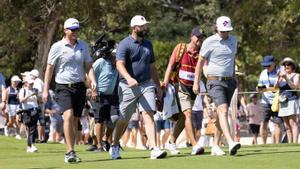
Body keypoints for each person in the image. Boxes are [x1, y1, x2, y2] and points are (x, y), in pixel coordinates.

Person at [110, 15, 167, 160]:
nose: (145, 28)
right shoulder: (124, 44)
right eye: (142, 26)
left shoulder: (148, 44)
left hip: (146, 84)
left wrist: (158, 86)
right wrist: (129, 78)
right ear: (134, 28)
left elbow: (152, 67)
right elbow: (119, 64)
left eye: (145, 25)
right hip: (128, 86)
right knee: (124, 119)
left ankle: (154, 148)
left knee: (148, 115)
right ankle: (115, 145)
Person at [43, 18, 97, 163]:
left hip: (79, 86)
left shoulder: (83, 45)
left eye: (77, 29)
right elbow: (49, 68)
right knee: (68, 115)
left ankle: (71, 149)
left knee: (75, 120)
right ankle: (69, 151)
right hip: (63, 86)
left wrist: (93, 80)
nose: (75, 32)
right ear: (65, 30)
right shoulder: (57, 47)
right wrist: (45, 90)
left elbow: (88, 65)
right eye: (72, 30)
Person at [193, 16, 241, 156]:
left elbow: (232, 60)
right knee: (223, 110)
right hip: (214, 81)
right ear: (217, 29)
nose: (225, 33)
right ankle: (231, 142)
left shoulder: (234, 40)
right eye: (223, 31)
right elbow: (200, 63)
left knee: (222, 114)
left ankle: (215, 146)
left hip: (230, 81)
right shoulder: (209, 42)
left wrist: (233, 77)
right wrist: (196, 82)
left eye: (227, 31)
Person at [162, 26, 207, 155]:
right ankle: (194, 145)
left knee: (183, 118)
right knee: (188, 114)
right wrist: (165, 83)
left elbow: (203, 69)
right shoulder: (181, 48)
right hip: (180, 86)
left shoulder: (202, 53)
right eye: (198, 36)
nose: (200, 39)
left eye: (202, 37)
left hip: (193, 88)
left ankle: (171, 141)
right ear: (191, 37)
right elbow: (170, 65)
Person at [92, 44, 119, 152]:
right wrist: (93, 90)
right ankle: (99, 145)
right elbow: (90, 74)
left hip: (112, 96)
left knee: (115, 118)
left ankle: (106, 139)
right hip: (98, 95)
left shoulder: (118, 65)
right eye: (116, 55)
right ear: (111, 55)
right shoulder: (101, 62)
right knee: (100, 120)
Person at [256, 55, 282, 144]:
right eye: (265, 65)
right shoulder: (263, 73)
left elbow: (279, 87)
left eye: (268, 65)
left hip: (277, 101)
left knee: (277, 124)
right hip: (265, 102)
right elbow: (259, 86)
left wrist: (271, 87)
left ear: (274, 63)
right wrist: (258, 89)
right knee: (263, 123)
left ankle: (278, 145)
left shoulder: (280, 72)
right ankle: (263, 144)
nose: (266, 67)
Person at [276, 57, 299, 143]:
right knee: (286, 126)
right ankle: (289, 143)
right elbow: (276, 87)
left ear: (293, 66)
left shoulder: (296, 75)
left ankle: (295, 143)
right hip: (283, 102)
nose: (286, 66)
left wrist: (286, 78)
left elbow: (295, 87)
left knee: (293, 123)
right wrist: (278, 78)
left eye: (288, 64)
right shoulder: (281, 77)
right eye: (284, 64)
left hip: (292, 101)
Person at [19, 76, 40, 153]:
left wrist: (37, 95)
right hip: (27, 111)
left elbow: (38, 101)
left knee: (33, 129)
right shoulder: (22, 90)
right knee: (30, 129)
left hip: (35, 110)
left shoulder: (35, 90)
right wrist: (29, 95)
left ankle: (30, 146)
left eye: (32, 83)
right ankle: (31, 145)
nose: (31, 84)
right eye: (30, 83)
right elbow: (21, 100)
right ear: (26, 83)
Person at [30, 69, 46, 143]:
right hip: (40, 102)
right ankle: (42, 137)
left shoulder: (37, 82)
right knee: (40, 120)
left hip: (39, 103)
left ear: (34, 75)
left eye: (31, 75)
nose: (30, 76)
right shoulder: (39, 81)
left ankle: (40, 138)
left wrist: (38, 101)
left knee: (39, 120)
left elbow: (37, 93)